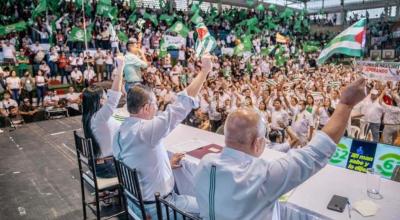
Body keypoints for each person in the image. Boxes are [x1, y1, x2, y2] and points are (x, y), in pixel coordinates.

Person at [194, 78, 367, 220]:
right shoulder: (262, 176)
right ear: (258, 143)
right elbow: (315, 153)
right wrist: (346, 104)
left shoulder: (205, 163)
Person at [113, 55, 213, 219]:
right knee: (211, 208)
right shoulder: (145, 130)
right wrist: (204, 71)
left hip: (134, 202)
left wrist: (167, 163)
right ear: (146, 108)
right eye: (154, 104)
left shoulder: (119, 131)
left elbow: (138, 160)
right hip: (159, 208)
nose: (156, 108)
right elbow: (181, 106)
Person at [81, 55, 124, 178]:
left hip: (100, 163)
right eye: (105, 95)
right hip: (107, 166)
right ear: (100, 101)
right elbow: (115, 96)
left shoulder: (90, 116)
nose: (107, 97)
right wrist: (120, 67)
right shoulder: (99, 117)